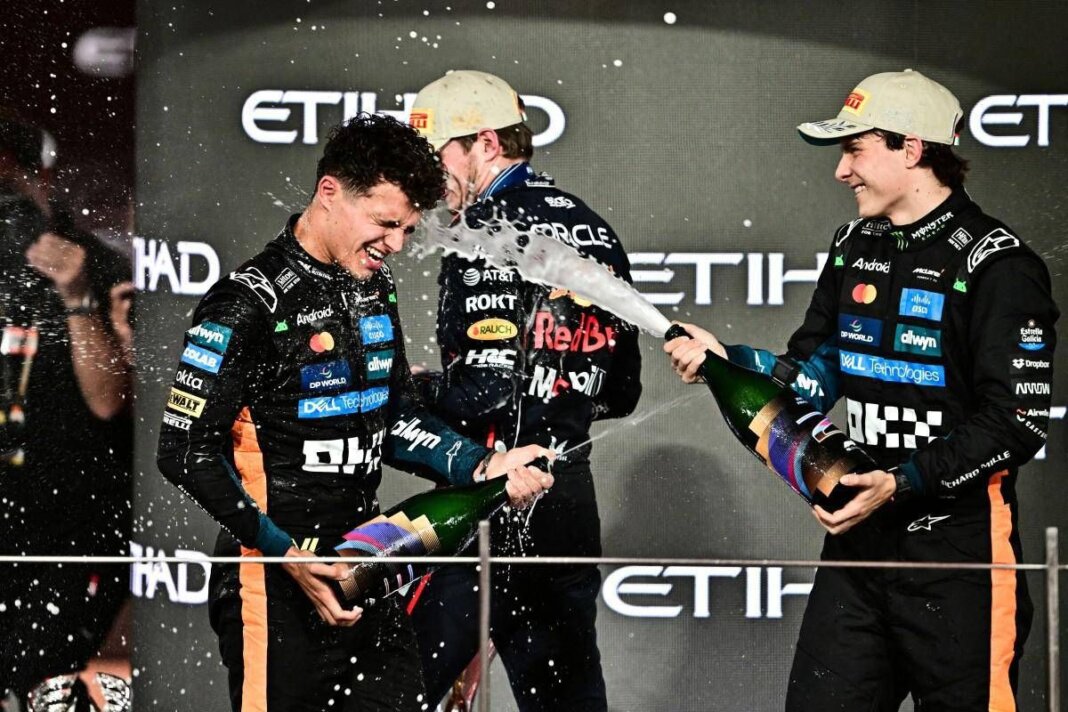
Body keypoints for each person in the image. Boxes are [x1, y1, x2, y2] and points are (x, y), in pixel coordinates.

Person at [666, 69, 1058, 710]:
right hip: (859, 549)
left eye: (854, 150)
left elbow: (1016, 422)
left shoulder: (998, 265)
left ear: (912, 148)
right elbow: (809, 377)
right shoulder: (854, 243)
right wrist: (725, 360)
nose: (841, 171)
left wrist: (898, 483)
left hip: (960, 558)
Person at [155, 113, 554, 712]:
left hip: (367, 560)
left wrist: (482, 465)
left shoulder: (373, 284)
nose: (396, 245)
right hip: (271, 577)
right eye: (386, 224)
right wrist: (286, 554)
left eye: (407, 230)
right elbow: (183, 450)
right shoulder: (246, 303)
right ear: (330, 192)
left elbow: (392, 418)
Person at [405, 70, 642, 711]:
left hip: (494, 495)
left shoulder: (484, 228)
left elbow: (487, 392)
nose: (424, 177)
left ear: (485, 144)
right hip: (565, 503)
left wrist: (414, 393)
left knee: (389, 693)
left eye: (435, 155)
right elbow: (622, 391)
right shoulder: (594, 227)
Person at [0, 114, 133, 708]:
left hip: (66, 532)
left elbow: (108, 400)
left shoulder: (94, 266)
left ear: (41, 178)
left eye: (10, 185)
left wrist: (75, 297)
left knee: (40, 687)